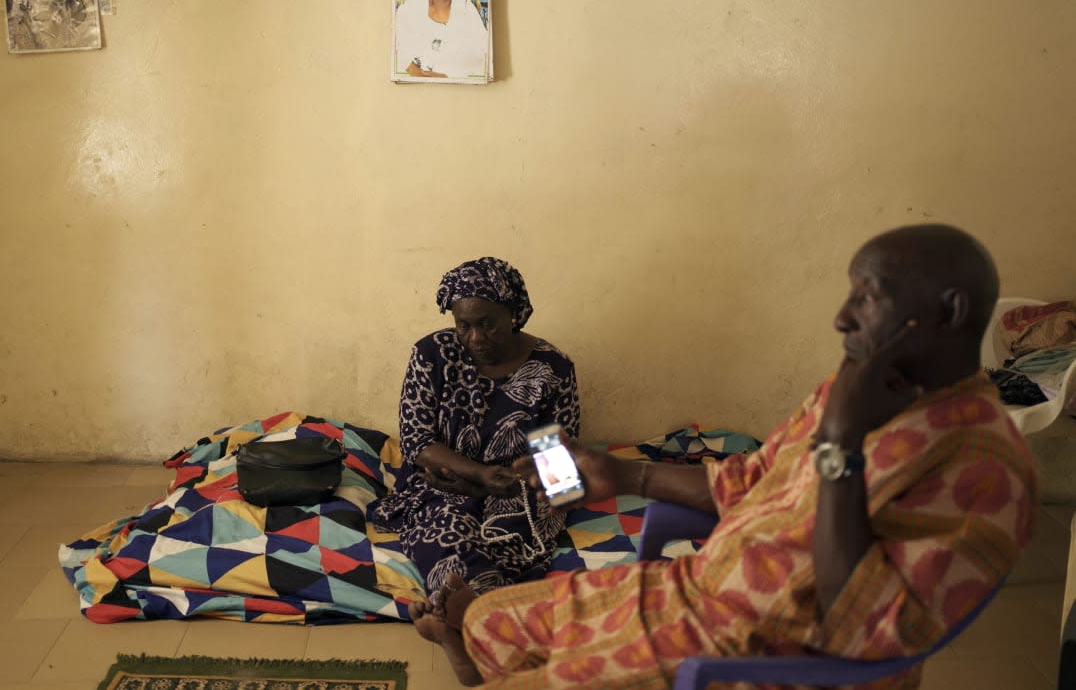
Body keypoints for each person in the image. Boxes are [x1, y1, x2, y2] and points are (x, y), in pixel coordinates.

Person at [413, 224, 1039, 688]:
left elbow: (860, 629)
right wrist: (626, 473)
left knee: (519, 554)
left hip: (751, 643)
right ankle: (469, 632)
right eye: (463, 324)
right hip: (693, 584)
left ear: (949, 313)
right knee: (491, 612)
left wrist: (840, 446)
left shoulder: (982, 464)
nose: (842, 318)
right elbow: (754, 478)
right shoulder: (858, 388)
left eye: (867, 298)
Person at [368, 257, 581, 600]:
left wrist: (508, 485)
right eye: (463, 325)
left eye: (487, 324)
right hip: (445, 480)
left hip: (517, 486)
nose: (475, 338)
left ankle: (484, 608)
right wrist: (477, 475)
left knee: (512, 534)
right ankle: (469, 605)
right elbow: (417, 441)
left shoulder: (551, 368)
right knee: (446, 531)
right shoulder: (432, 354)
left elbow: (557, 463)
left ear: (513, 314)